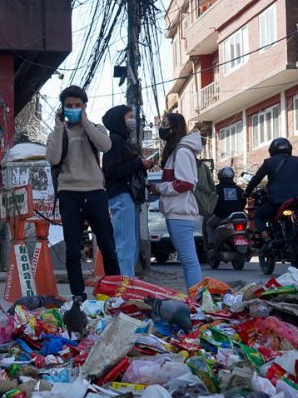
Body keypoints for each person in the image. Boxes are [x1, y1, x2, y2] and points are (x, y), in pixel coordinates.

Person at [46, 86, 120, 301]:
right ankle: (78, 294)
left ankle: (114, 293)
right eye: (69, 106)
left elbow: (105, 146)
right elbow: (52, 158)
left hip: (95, 192)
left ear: (85, 107)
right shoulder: (57, 133)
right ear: (62, 108)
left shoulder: (95, 129)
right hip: (69, 193)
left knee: (107, 244)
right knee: (72, 248)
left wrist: (85, 122)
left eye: (78, 105)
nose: (74, 109)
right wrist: (59, 126)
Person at [151, 112, 203, 289]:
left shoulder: (181, 151)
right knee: (187, 259)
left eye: (165, 124)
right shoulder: (179, 150)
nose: (162, 128)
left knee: (188, 259)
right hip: (177, 210)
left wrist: (159, 188)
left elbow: (185, 183)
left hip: (180, 211)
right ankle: (196, 299)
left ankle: (197, 300)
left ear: (174, 128)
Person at [102, 104, 154, 277]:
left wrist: (141, 164)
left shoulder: (124, 141)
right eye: (129, 116)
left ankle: (127, 282)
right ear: (119, 120)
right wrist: (138, 163)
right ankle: (125, 286)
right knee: (125, 245)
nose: (132, 120)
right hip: (121, 195)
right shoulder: (116, 141)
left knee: (129, 244)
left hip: (128, 196)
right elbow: (112, 170)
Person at [244, 137, 298, 246]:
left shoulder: (269, 162)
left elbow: (256, 179)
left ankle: (267, 240)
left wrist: (247, 192)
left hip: (278, 201)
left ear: (272, 150)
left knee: (258, 215)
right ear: (289, 149)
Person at [206, 167, 246, 249]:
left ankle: (211, 244)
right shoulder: (239, 190)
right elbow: (243, 202)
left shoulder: (216, 189)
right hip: (236, 217)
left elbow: (211, 203)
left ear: (220, 176)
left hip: (221, 216)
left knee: (209, 225)